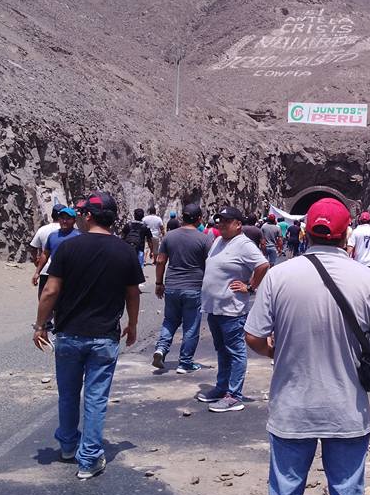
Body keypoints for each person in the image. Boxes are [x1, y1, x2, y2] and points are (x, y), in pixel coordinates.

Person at [245, 198, 370, 495]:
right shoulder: (367, 280)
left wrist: (277, 351)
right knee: (347, 494)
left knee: (284, 492)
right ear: (346, 235)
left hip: (291, 408)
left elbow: (253, 336)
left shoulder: (279, 276)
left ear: (306, 231)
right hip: (346, 410)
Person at [33, 191, 144, 480]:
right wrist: (132, 324)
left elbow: (51, 290)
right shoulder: (125, 251)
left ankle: (68, 445)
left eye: (82, 213)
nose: (79, 218)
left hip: (69, 335)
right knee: (95, 398)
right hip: (104, 337)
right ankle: (89, 459)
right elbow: (133, 294)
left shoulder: (68, 248)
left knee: (68, 394)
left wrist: (40, 325)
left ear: (89, 216)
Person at [196, 206, 269, 413]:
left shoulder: (244, 244)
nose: (221, 224)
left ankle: (234, 395)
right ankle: (222, 388)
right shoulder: (218, 241)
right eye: (219, 220)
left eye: (226, 221)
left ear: (238, 224)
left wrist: (250, 287)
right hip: (214, 308)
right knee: (222, 350)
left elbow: (263, 265)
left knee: (236, 352)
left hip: (232, 310)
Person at [152, 204, 213, 373]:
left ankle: (161, 349)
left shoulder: (169, 237)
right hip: (193, 287)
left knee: (170, 320)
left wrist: (158, 283)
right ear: (199, 219)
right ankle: (185, 362)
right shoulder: (204, 239)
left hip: (172, 286)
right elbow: (211, 264)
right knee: (191, 325)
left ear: (182, 218)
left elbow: (160, 261)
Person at [30, 204, 64, 296]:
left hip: (45, 270)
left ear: (52, 215)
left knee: (44, 298)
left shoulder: (43, 229)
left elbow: (33, 247)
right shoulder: (68, 231)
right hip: (63, 271)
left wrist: (36, 260)